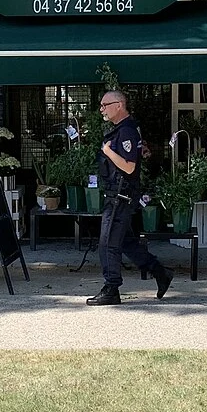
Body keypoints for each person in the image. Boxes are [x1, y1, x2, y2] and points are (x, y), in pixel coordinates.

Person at [86, 91, 173, 305]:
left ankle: (111, 288)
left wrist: (108, 152)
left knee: (108, 243)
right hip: (118, 194)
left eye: (105, 104)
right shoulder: (124, 129)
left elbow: (129, 166)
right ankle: (160, 272)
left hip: (120, 196)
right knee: (124, 241)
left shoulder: (125, 131)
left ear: (119, 105)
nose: (102, 109)